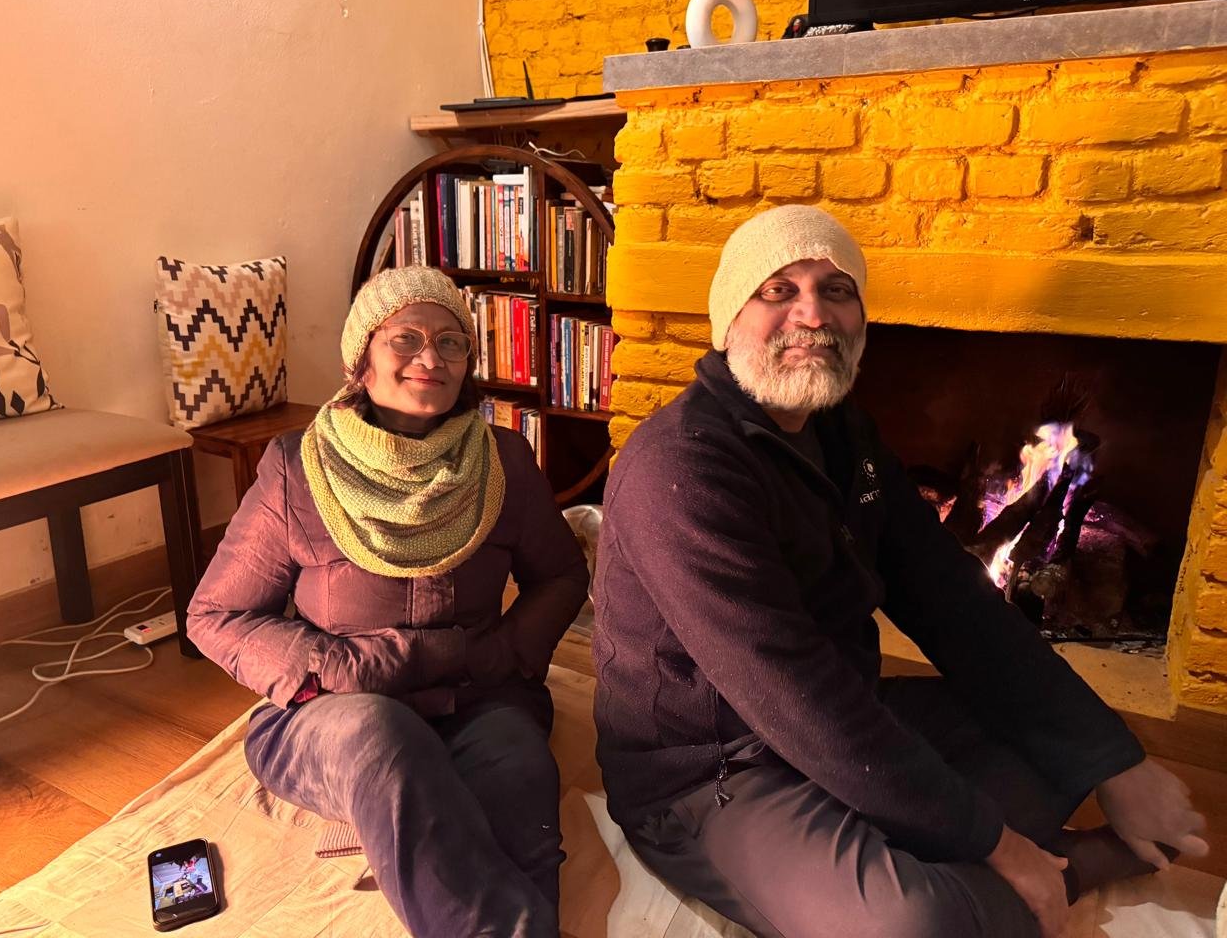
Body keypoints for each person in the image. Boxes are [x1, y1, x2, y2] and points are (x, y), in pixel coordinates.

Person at [590, 205, 1209, 938]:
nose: (813, 314)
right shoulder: (682, 468)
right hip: (712, 770)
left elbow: (952, 599)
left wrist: (1113, 762)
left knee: (1050, 753)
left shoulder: (844, 432)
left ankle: (961, 859)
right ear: (729, 320)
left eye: (837, 289)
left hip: (842, 709)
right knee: (914, 924)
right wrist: (999, 845)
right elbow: (795, 698)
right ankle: (1055, 874)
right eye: (778, 291)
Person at [187, 266, 588, 938]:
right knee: (382, 738)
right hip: (336, 713)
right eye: (405, 339)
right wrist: (338, 666)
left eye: (452, 342)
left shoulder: (506, 461)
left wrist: (504, 654)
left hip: (477, 697)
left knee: (521, 771)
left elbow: (562, 576)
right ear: (362, 357)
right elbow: (214, 615)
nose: (430, 358)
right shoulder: (297, 468)